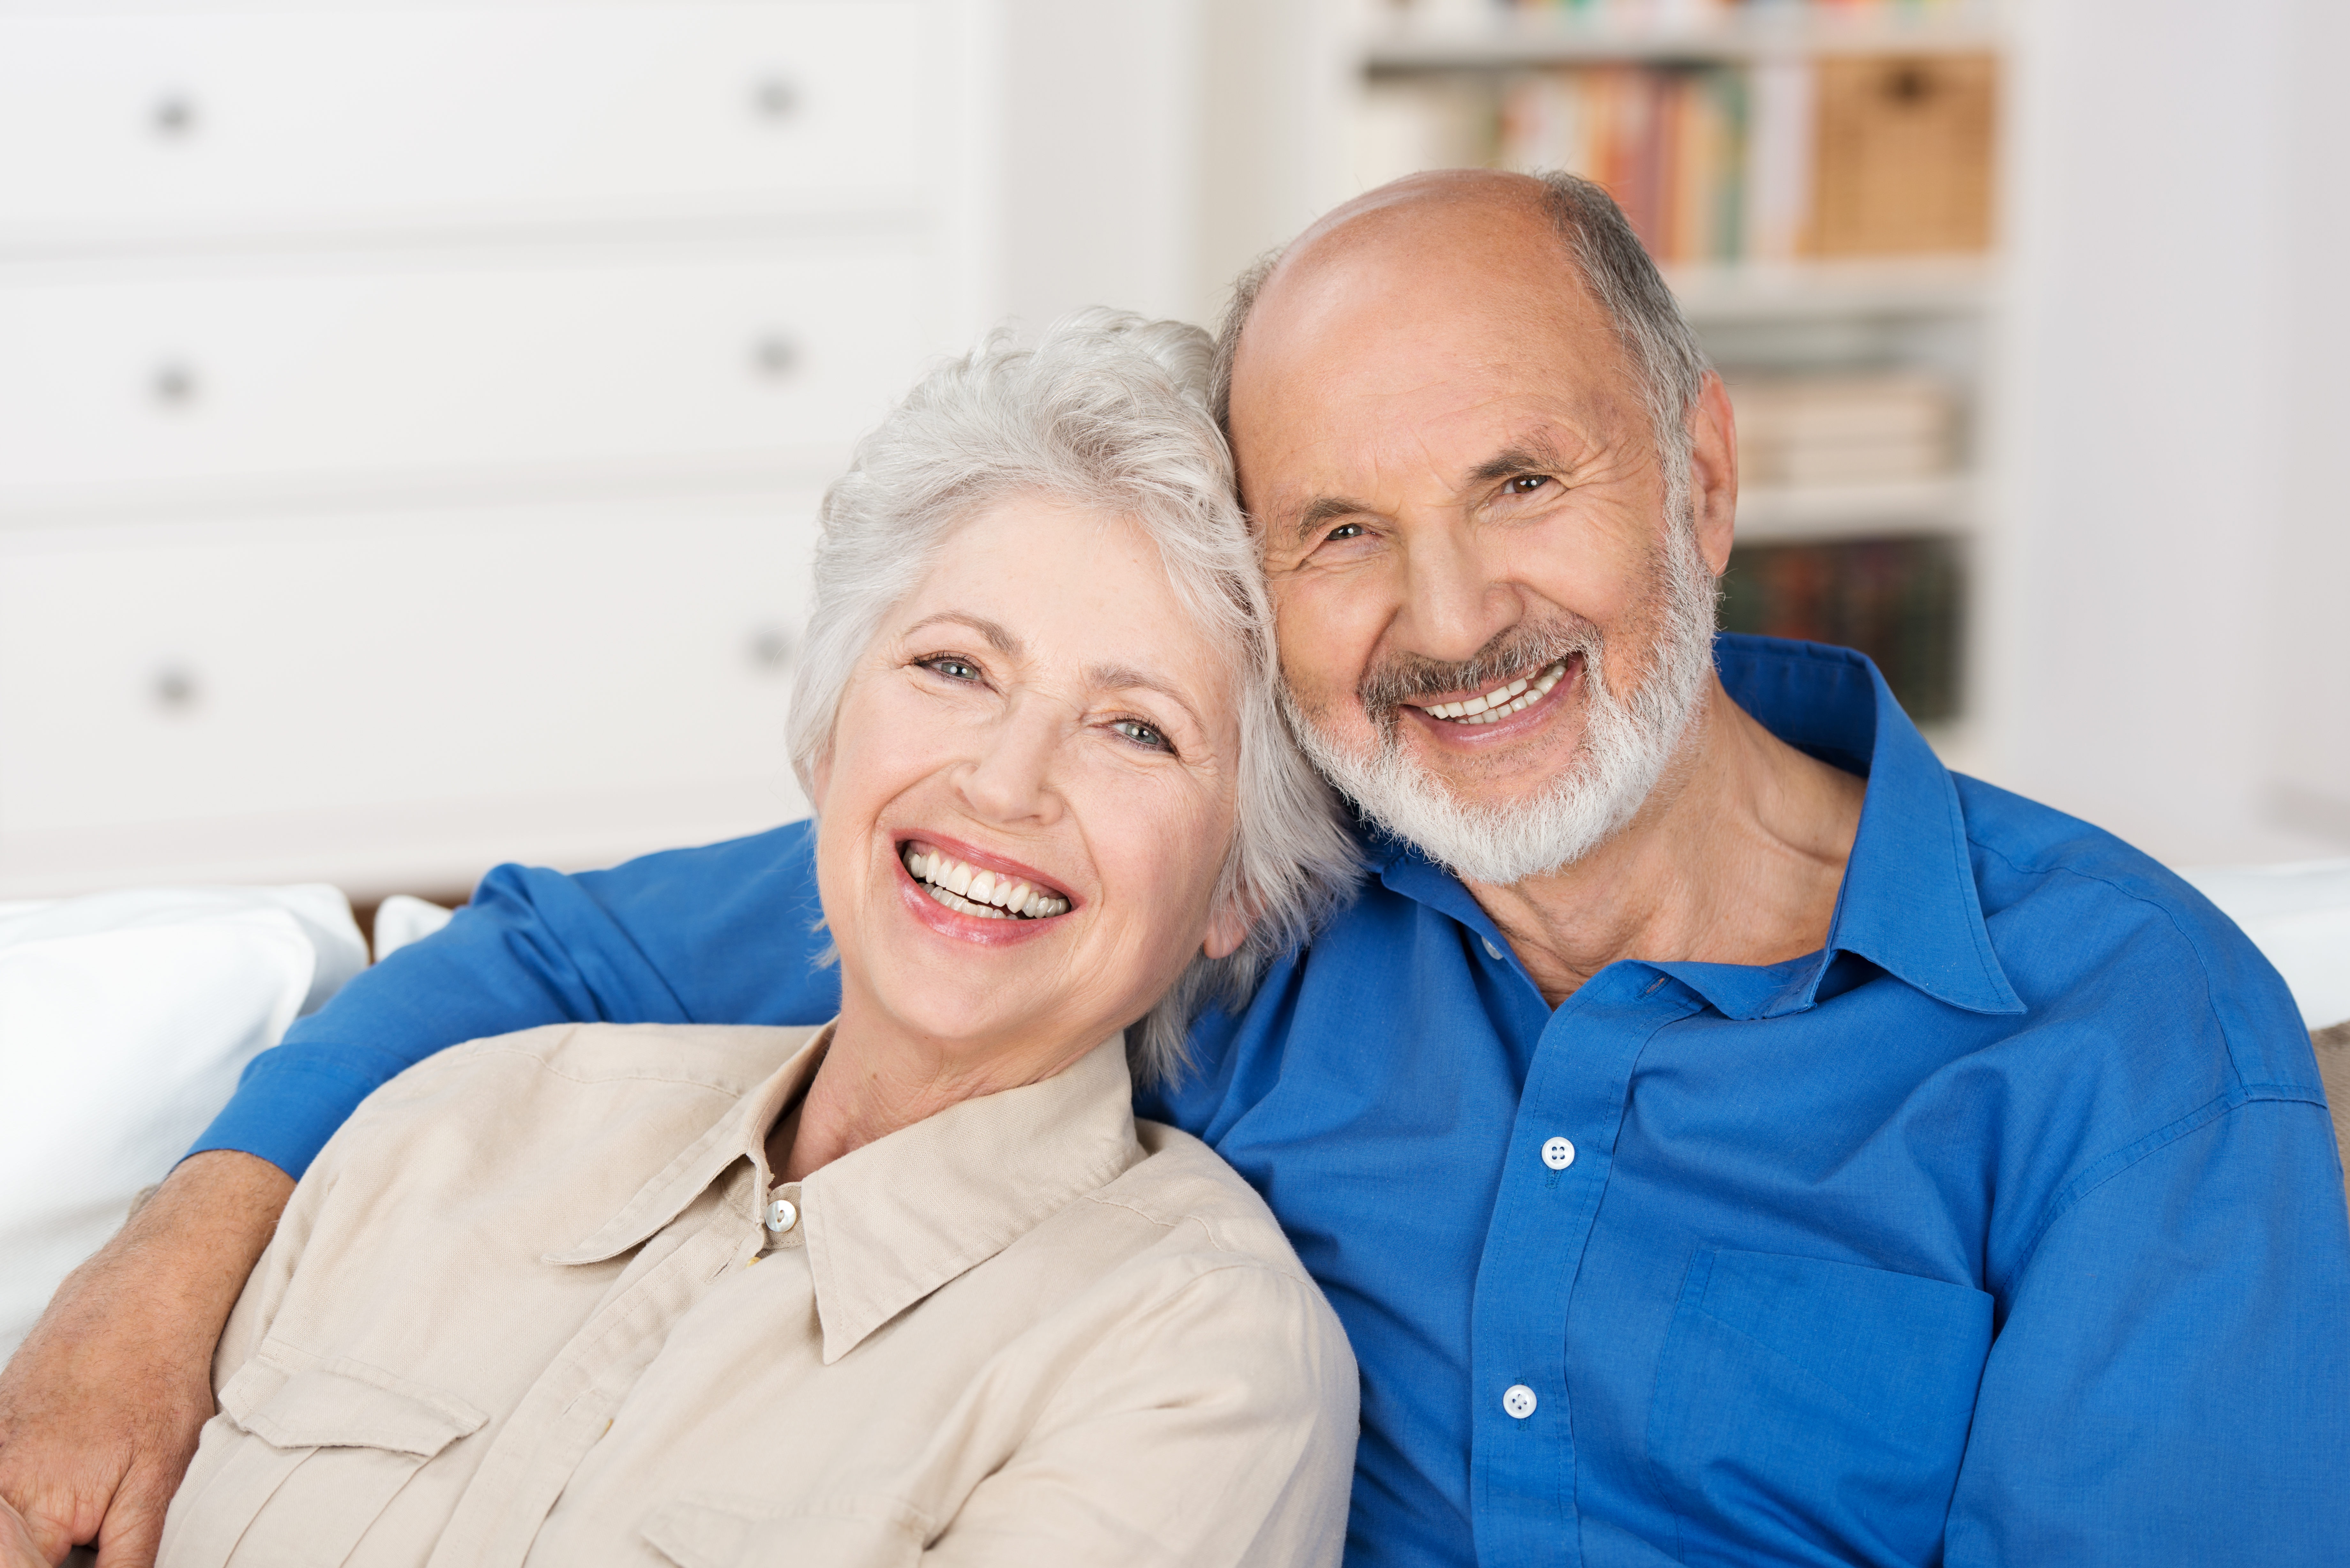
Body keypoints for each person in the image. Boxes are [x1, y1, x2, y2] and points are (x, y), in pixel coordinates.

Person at [5, 170, 2346, 1566]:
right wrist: (147, 1283)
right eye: (1343, 530)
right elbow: (548, 945)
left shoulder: (2115, 1034)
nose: (1447, 621)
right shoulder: (1219, 882)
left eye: (1524, 485)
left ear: (1703, 474)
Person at [13, 316, 1367, 1567]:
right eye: (954, 668)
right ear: (831, 734)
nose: (1006, 783)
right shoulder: (446, 1127)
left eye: (1138, 728)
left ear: (1233, 891)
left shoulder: (1191, 1358)